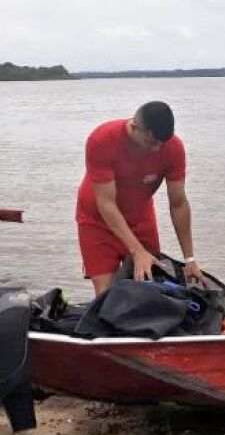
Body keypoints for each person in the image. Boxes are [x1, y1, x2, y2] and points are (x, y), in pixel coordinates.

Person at [75, 101, 206, 295]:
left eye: (162, 143)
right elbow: (106, 204)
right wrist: (137, 251)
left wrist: (190, 260)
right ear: (134, 127)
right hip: (98, 219)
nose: (157, 149)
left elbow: (178, 204)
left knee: (150, 287)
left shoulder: (172, 147)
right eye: (152, 142)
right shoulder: (102, 140)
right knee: (106, 294)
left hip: (140, 218)